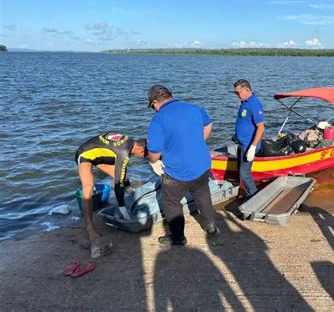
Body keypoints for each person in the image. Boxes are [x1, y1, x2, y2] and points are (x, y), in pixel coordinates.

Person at [147, 84, 218, 246]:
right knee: (202, 194)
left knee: (171, 202)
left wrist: (154, 162)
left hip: (177, 171)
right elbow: (208, 125)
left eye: (152, 107)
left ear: (154, 102)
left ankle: (178, 237)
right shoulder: (194, 108)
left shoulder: (159, 119)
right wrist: (199, 141)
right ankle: (211, 226)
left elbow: (154, 150)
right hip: (202, 165)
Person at [76, 133, 147, 258]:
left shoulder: (130, 142)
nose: (142, 157)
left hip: (100, 155)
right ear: (140, 150)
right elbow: (118, 183)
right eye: (144, 155)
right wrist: (122, 207)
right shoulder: (124, 152)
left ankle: (130, 196)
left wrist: (129, 189)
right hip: (84, 153)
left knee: (123, 175)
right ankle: (90, 228)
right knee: (88, 187)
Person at [233, 79, 265, 197]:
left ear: (247, 90)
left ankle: (253, 195)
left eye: (238, 92)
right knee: (241, 172)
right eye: (235, 93)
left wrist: (253, 147)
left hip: (249, 145)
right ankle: (248, 193)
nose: (237, 95)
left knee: (244, 173)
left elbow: (261, 127)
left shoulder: (254, 103)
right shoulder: (244, 102)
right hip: (242, 143)